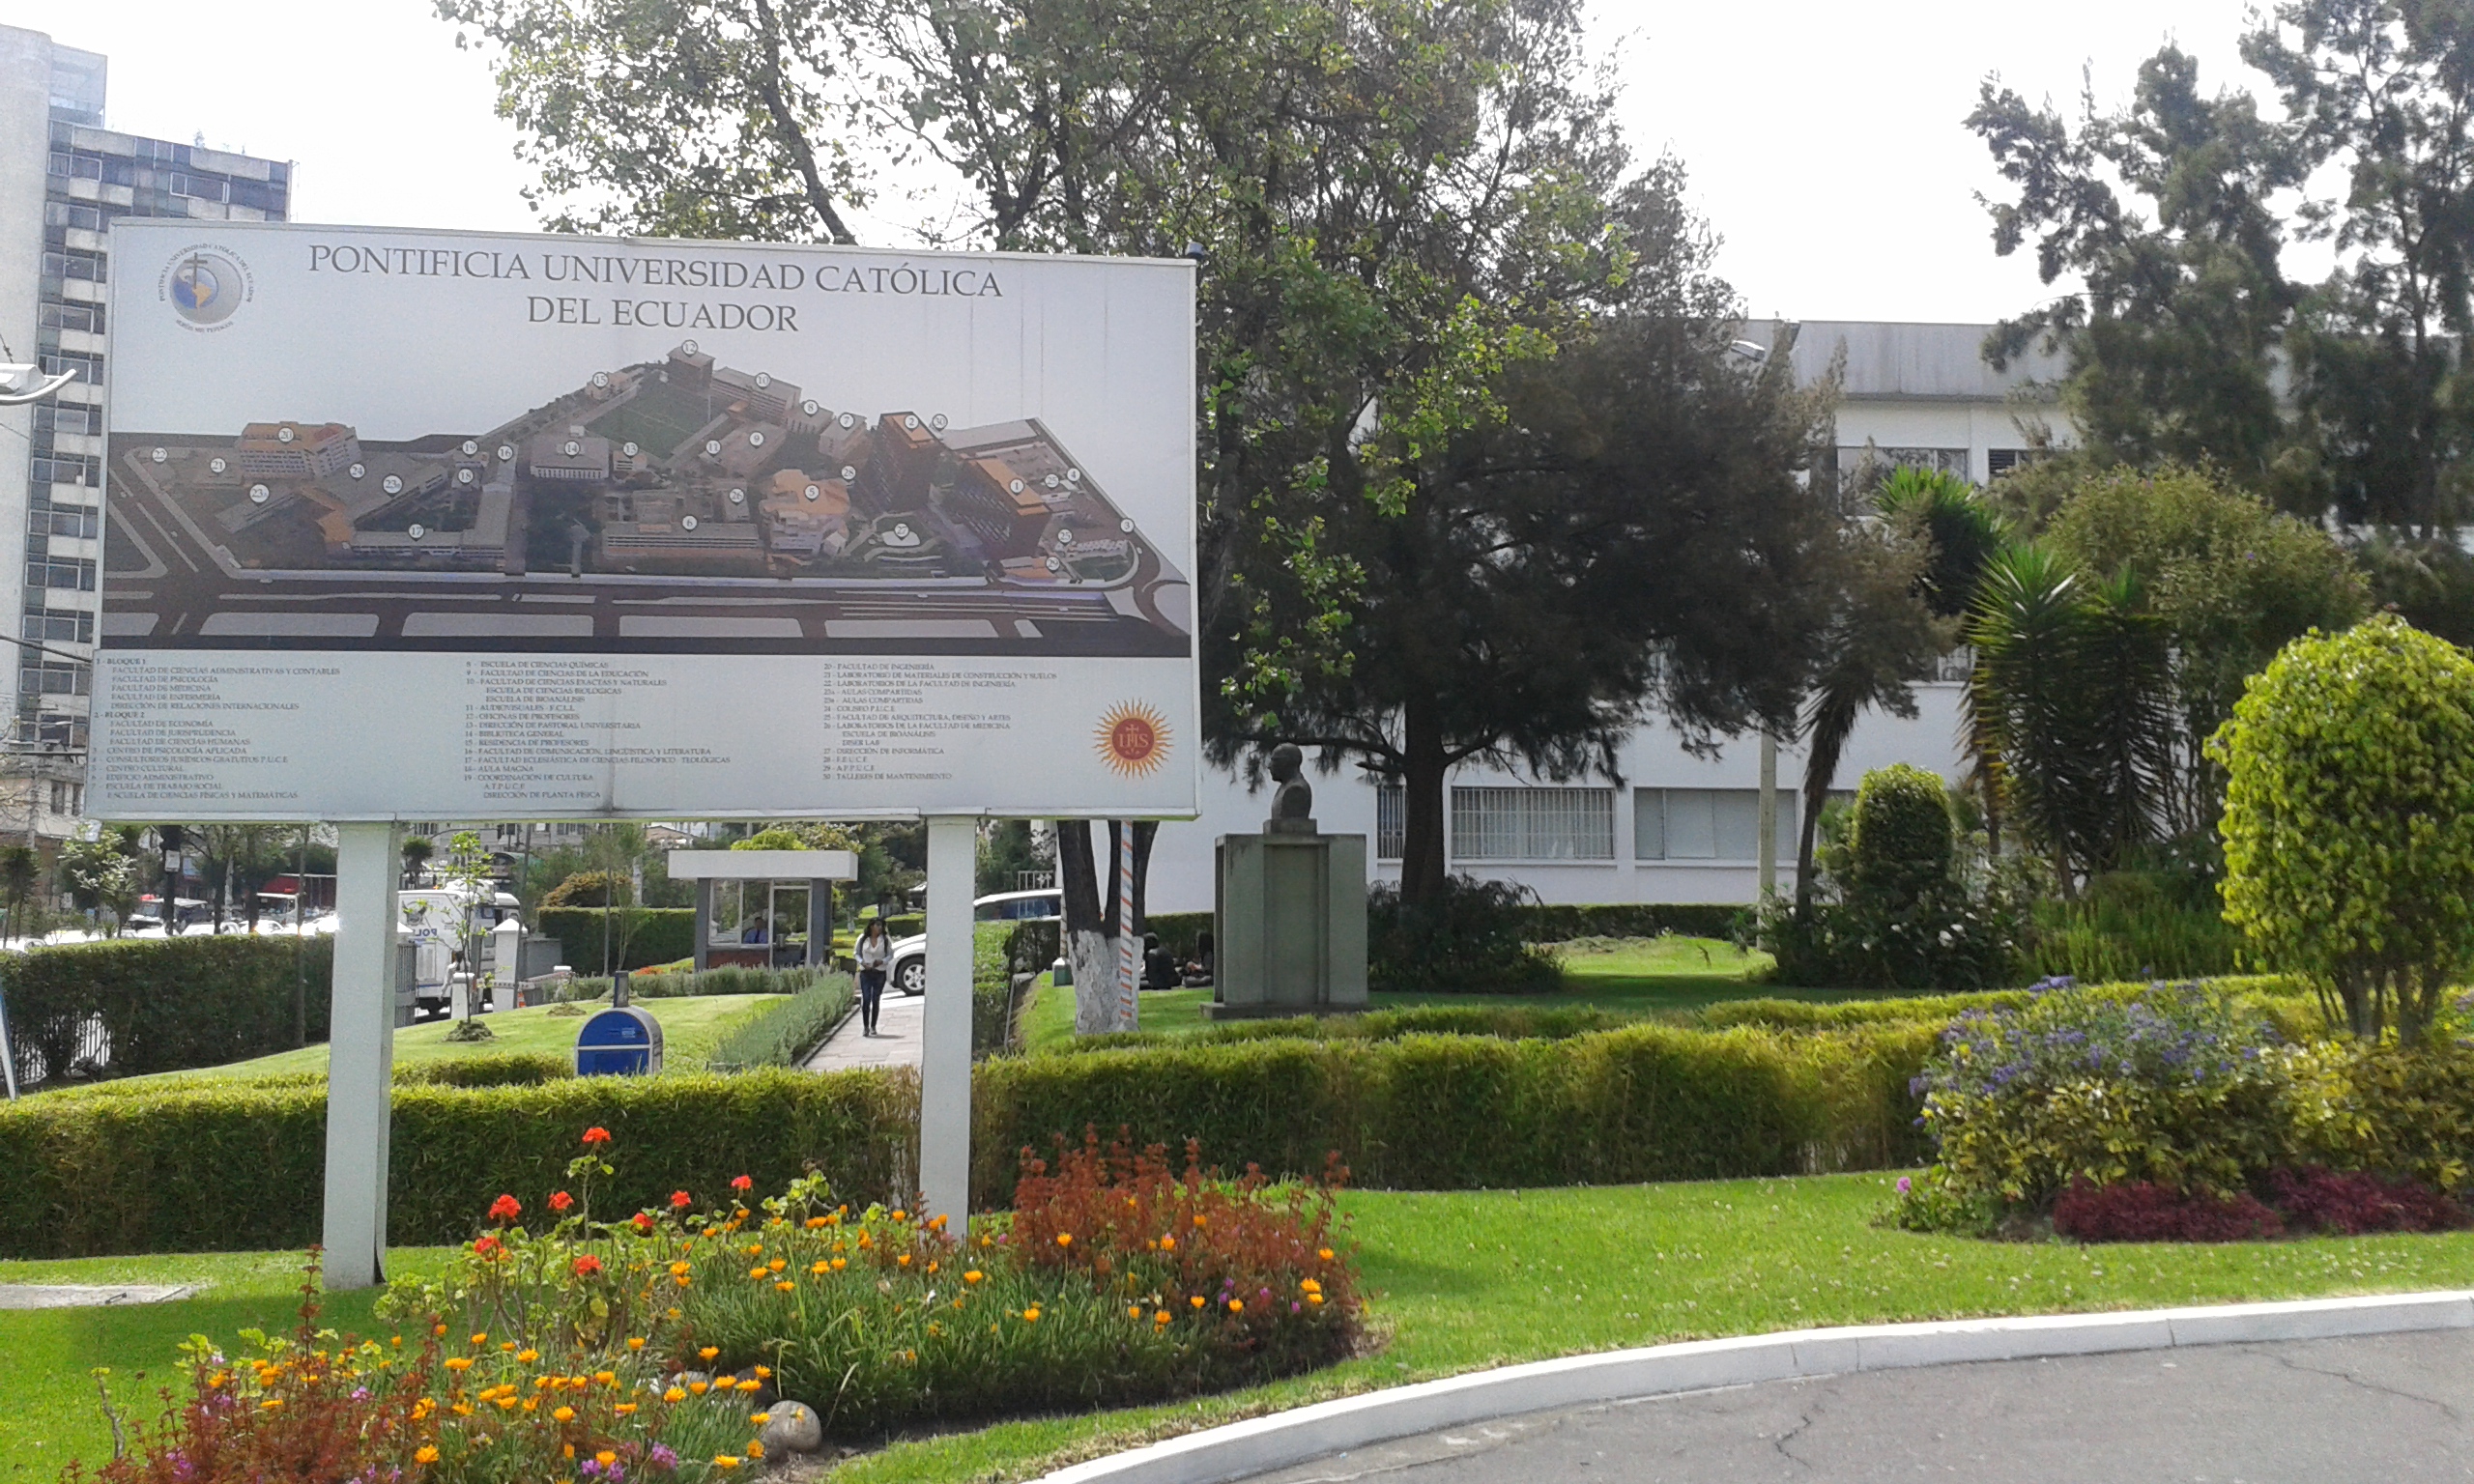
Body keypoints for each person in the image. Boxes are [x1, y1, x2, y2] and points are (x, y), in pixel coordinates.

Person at [855, 918, 891, 1038]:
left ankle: (873, 1026)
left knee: (875, 999)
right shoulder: (863, 939)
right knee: (866, 999)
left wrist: (882, 961)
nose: (879, 928)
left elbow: (890, 955)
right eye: (877, 925)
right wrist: (862, 962)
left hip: (879, 972)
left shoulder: (885, 940)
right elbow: (856, 953)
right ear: (871, 926)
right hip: (866, 972)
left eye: (881, 926)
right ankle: (865, 1026)